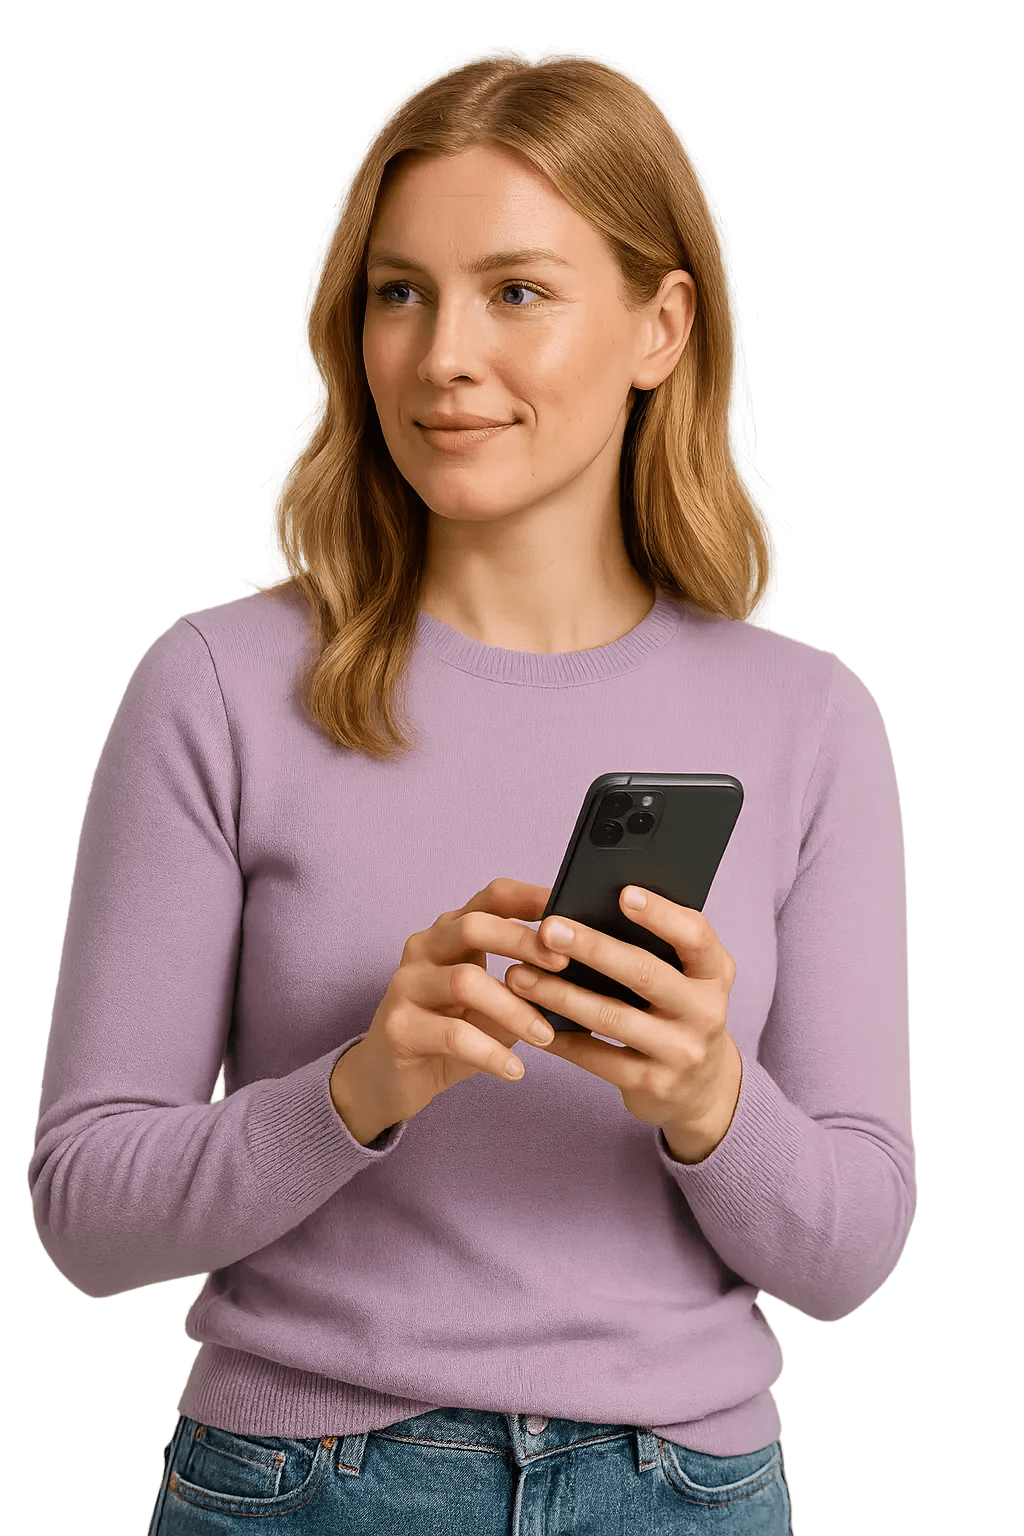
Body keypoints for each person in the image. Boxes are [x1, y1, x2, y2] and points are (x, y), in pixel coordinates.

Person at [26, 43, 915, 1536]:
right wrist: (361, 1087)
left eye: (516, 291)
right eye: (400, 292)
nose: (441, 355)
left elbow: (853, 1254)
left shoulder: (808, 718)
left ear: (660, 326)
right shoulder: (218, 688)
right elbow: (85, 1215)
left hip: (683, 1494)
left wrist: (708, 1098)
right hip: (301, 1488)